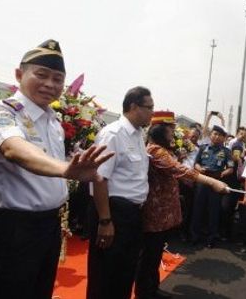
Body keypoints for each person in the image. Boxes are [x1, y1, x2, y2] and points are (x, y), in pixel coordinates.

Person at [0, 39, 113, 299]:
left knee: (41, 288)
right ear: (19, 75)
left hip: (49, 224)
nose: (50, 84)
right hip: (14, 229)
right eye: (41, 75)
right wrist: (66, 170)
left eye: (58, 79)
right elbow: (13, 149)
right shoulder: (0, 111)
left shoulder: (53, 121)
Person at [135, 111, 228, 299]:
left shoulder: (164, 150)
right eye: (170, 129)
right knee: (149, 257)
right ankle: (144, 292)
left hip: (162, 215)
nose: (173, 132)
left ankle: (151, 289)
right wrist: (212, 182)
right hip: (155, 215)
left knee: (154, 256)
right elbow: (181, 170)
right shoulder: (155, 151)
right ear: (160, 130)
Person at [87, 86, 153, 299]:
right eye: (149, 107)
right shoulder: (113, 134)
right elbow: (99, 179)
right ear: (133, 107)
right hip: (114, 212)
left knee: (124, 274)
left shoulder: (137, 135)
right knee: (105, 276)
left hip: (132, 214)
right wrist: (105, 221)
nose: (152, 112)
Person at [191, 124, 234, 248]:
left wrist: (220, 174)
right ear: (211, 135)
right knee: (197, 209)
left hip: (216, 182)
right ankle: (195, 236)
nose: (216, 136)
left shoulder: (226, 152)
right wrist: (200, 169)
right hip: (202, 181)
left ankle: (211, 238)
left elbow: (231, 169)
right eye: (215, 134)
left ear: (224, 138)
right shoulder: (203, 148)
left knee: (214, 211)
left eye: (220, 135)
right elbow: (196, 164)